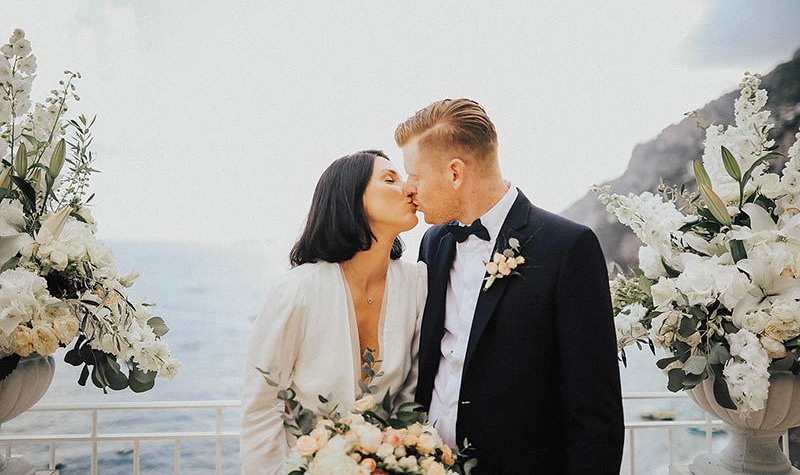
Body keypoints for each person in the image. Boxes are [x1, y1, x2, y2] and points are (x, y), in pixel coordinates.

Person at [395, 99, 624, 474]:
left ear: (455, 173)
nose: (409, 189)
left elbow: (595, 413)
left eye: (415, 176)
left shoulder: (567, 248)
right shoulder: (433, 243)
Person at [239, 149, 426, 474]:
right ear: (352, 199)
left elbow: (412, 394)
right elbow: (261, 406)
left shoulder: (417, 285)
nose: (409, 188)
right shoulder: (299, 291)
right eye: (389, 179)